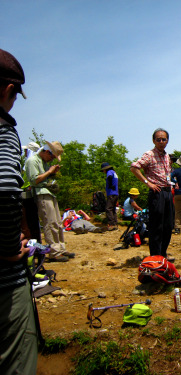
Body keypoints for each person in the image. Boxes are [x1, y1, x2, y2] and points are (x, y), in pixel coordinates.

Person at [0, 47, 38, 375]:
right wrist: (11, 247)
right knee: (16, 359)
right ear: (9, 90)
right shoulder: (3, 128)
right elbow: (6, 189)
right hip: (3, 281)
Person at [25, 140, 75, 261]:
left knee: (57, 222)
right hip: (41, 195)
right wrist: (49, 172)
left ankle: (61, 248)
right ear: (47, 152)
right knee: (50, 223)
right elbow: (34, 180)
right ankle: (54, 252)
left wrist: (52, 174)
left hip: (49, 194)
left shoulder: (43, 162)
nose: (51, 160)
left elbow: (44, 177)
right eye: (52, 157)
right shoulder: (32, 161)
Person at [130, 128, 174, 258]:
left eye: (164, 139)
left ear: (167, 140)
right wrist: (147, 183)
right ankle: (155, 257)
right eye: (158, 139)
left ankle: (163, 254)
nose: (161, 141)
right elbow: (134, 168)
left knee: (168, 225)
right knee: (157, 226)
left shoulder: (167, 156)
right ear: (153, 140)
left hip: (167, 192)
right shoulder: (149, 154)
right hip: (157, 192)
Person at [101, 162, 119, 231]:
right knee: (112, 209)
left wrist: (110, 185)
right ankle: (115, 224)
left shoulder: (109, 172)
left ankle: (111, 224)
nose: (103, 172)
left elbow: (109, 177)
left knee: (108, 208)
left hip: (112, 193)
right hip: (116, 193)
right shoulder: (114, 172)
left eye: (103, 170)